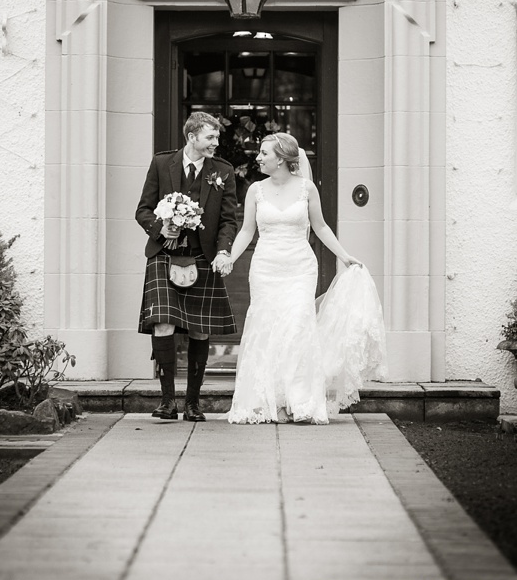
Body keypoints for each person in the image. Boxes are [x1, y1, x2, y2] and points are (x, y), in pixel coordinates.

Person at [216, 132, 363, 425]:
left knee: (297, 328)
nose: (258, 157)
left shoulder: (307, 189)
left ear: (281, 158)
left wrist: (344, 256)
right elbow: (246, 231)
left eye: (264, 153)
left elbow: (320, 227)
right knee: (267, 329)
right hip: (266, 268)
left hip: (299, 268)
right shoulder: (255, 190)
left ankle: (298, 401)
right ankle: (270, 402)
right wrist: (231, 257)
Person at [136, 112, 237, 422]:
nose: (216, 143)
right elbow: (142, 210)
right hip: (164, 256)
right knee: (163, 324)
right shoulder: (161, 163)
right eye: (210, 137)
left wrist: (223, 251)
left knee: (200, 329)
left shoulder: (223, 171)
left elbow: (228, 220)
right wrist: (159, 228)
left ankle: (193, 403)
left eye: (217, 137)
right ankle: (168, 402)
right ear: (192, 137)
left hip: (202, 257)